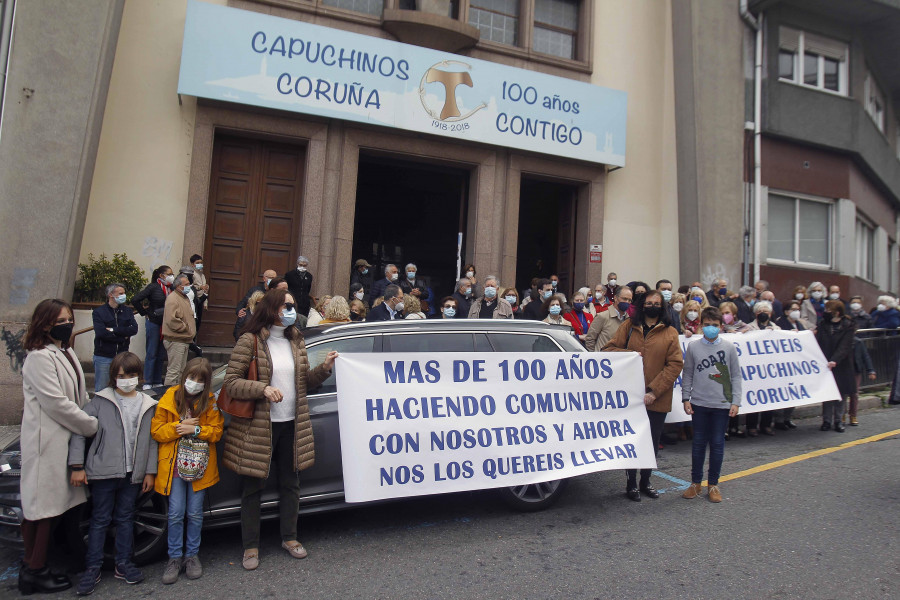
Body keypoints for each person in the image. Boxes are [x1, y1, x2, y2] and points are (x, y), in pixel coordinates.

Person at [223, 289, 337, 570]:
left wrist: (323, 369)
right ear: (272, 308)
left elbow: (304, 381)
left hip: (291, 424)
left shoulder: (295, 339)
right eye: (287, 306)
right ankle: (250, 547)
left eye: (293, 307)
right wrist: (263, 388)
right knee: (253, 488)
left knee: (291, 484)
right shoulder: (249, 341)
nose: (291, 311)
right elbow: (231, 383)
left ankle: (290, 537)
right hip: (259, 426)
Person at [18, 300, 99, 595]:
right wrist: (91, 424)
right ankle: (33, 570)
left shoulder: (65, 352)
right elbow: (57, 404)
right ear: (44, 324)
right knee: (43, 509)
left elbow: (79, 393)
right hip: (46, 442)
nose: (67, 324)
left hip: (65, 440)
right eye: (60, 320)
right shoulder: (39, 358)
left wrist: (94, 407)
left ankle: (49, 563)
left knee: (59, 505)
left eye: (69, 318)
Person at [69, 351, 158, 594]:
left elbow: (152, 441)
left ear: (139, 376)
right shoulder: (99, 401)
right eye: (121, 375)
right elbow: (79, 431)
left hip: (132, 474)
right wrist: (77, 466)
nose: (126, 380)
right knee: (99, 520)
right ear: (113, 377)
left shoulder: (147, 403)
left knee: (126, 519)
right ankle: (93, 567)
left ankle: (124, 563)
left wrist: (150, 472)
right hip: (103, 473)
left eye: (131, 375)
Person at [603, 290, 683, 502]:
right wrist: (628, 355)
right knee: (631, 441)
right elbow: (607, 350)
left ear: (662, 306)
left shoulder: (670, 332)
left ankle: (646, 481)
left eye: (656, 303)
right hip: (630, 398)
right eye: (648, 303)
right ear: (642, 305)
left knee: (651, 442)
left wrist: (654, 391)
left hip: (657, 398)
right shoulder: (628, 327)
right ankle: (630, 485)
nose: (652, 306)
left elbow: (675, 364)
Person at [152, 357, 224, 584]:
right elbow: (157, 430)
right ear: (184, 377)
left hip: (198, 468)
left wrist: (196, 429)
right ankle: (174, 557)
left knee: (194, 513)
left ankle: (191, 555)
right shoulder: (170, 397)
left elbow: (216, 431)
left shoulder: (209, 401)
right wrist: (178, 428)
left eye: (200, 380)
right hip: (173, 466)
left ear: (206, 383)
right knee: (175, 513)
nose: (194, 383)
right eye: (192, 378)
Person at [681, 307, 742, 503]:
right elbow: (688, 373)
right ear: (700, 326)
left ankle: (713, 484)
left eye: (714, 326)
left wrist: (736, 401)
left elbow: (736, 376)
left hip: (721, 405)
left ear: (721, 327)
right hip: (699, 403)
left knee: (717, 444)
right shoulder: (694, 347)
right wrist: (685, 398)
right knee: (698, 444)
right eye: (707, 325)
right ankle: (695, 483)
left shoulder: (729, 347)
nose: (710, 329)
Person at [816, 300, 856, 432]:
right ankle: (826, 420)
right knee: (827, 394)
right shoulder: (823, 324)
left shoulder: (848, 325)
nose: (826, 313)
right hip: (825, 363)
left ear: (837, 313)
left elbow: (845, 345)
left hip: (841, 364)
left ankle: (839, 420)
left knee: (840, 394)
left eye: (829, 311)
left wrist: (835, 360)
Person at [131, 265, 174, 389]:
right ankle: (148, 381)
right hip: (154, 323)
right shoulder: (153, 287)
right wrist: (145, 313)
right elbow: (135, 299)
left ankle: (157, 379)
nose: (171, 276)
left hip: (165, 324)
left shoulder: (171, 289)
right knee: (152, 352)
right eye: (169, 274)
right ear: (161, 275)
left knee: (161, 353)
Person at [92, 282, 139, 392]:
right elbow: (101, 333)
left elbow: (133, 329)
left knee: (121, 388)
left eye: (124, 293)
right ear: (111, 295)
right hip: (104, 355)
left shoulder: (127, 311)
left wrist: (114, 330)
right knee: (102, 388)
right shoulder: (99, 312)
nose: (123, 295)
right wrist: (123, 337)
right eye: (120, 293)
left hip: (122, 355)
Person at [163, 274, 197, 386]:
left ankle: (177, 395)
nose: (189, 286)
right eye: (186, 284)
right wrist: (186, 328)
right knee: (173, 372)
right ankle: (168, 397)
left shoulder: (184, 297)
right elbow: (172, 320)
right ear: (178, 286)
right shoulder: (173, 298)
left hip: (184, 339)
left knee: (181, 372)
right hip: (176, 340)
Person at [585, 286, 632, 351]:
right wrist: (596, 356)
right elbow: (590, 339)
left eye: (629, 300)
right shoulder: (602, 316)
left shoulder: (628, 320)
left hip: (619, 359)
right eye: (624, 299)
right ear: (615, 298)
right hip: (603, 358)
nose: (627, 302)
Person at [849, 337, 876, 426]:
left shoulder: (858, 342)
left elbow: (865, 356)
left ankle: (853, 415)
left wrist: (870, 370)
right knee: (842, 394)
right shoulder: (840, 341)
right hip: (843, 371)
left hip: (856, 370)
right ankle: (841, 416)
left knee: (854, 394)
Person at [189, 254, 209, 331]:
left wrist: (205, 303)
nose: (199, 265)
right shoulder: (191, 274)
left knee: (198, 322)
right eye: (197, 263)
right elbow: (191, 286)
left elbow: (205, 289)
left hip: (201, 299)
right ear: (192, 264)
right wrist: (200, 287)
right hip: (194, 300)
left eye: (201, 263)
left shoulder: (202, 275)